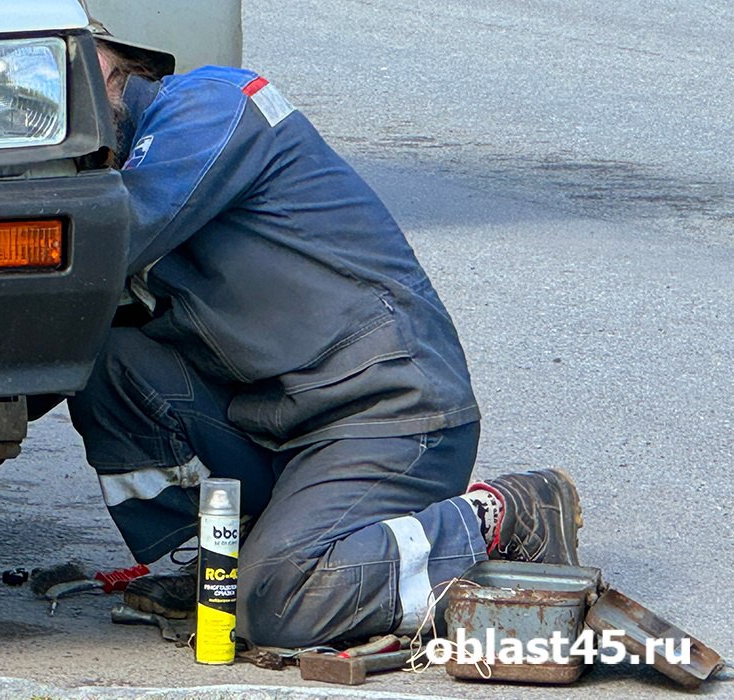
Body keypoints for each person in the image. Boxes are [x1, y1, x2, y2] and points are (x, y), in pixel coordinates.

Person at [67, 27, 583, 648]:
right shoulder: (113, 167)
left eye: (83, 61)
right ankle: (237, 559)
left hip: (387, 413)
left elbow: (99, 248)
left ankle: (503, 516)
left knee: (281, 609)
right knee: (107, 360)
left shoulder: (212, 105)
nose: (72, 86)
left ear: (124, 60)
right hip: (279, 418)